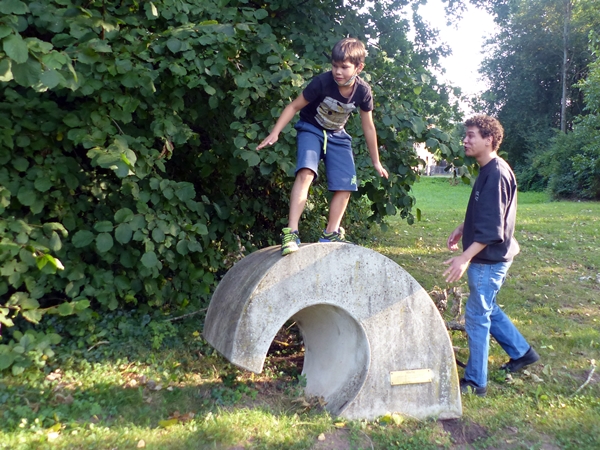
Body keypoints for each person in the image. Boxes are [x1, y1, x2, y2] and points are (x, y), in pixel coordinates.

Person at [256, 37, 388, 256]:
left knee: (346, 184)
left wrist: (376, 161)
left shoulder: (363, 91)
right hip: (311, 128)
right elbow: (294, 106)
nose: (338, 71)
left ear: (359, 68)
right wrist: (275, 132)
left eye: (344, 67)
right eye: (335, 66)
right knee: (306, 173)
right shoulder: (322, 82)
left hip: (337, 134)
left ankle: (330, 233)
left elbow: (369, 127)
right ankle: (291, 232)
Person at [443, 115, 539, 397]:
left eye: (471, 135)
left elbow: (492, 229)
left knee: (477, 315)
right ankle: (522, 353)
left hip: (489, 260)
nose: (465, 140)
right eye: (466, 135)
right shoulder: (489, 169)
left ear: (489, 139)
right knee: (487, 307)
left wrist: (464, 258)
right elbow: (488, 212)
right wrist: (464, 226)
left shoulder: (496, 173)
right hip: (492, 257)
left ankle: (475, 381)